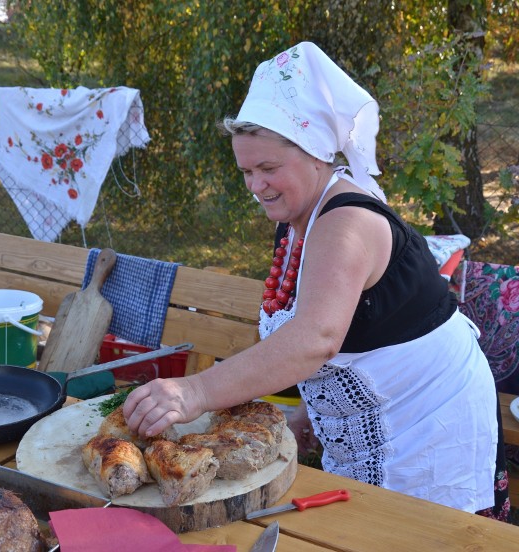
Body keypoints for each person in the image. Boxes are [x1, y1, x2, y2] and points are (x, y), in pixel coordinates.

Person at [124, 41, 505, 517]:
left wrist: (193, 392)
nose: (256, 185)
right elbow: (349, 332)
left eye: (268, 168)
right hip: (370, 421)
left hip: (429, 423)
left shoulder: (346, 223)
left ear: (318, 154)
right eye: (246, 170)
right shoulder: (296, 221)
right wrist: (312, 411)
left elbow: (317, 338)